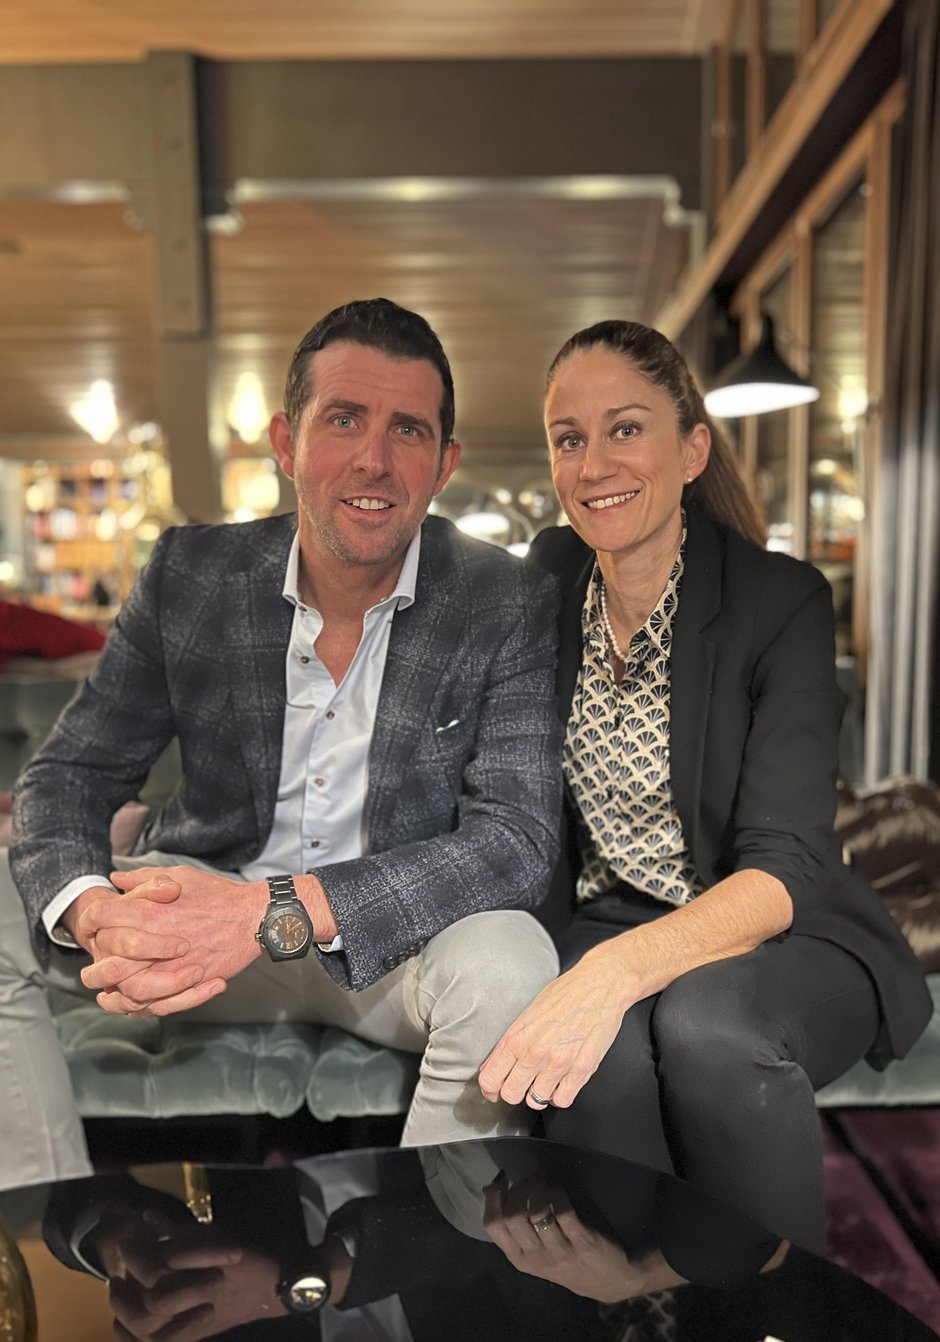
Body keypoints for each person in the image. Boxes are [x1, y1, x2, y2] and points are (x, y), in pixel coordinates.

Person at [1, 297, 562, 1190]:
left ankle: (423, 1260)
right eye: (343, 419)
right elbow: (73, 771)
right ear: (285, 442)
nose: (374, 459)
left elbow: (516, 841)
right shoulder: (190, 573)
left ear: (443, 464)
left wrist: (273, 912)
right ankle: (46, 1218)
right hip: (204, 923)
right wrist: (92, 911)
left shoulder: (506, 597)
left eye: (408, 430)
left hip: (393, 945)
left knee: (512, 964)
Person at [478, 319, 932, 1254]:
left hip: (781, 927)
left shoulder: (782, 601)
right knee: (594, 1061)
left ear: (691, 451)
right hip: (608, 913)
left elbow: (787, 865)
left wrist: (610, 973)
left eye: (626, 429)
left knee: (707, 1027)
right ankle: (639, 1290)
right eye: (569, 438)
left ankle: (768, 1301)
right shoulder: (548, 577)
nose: (594, 464)